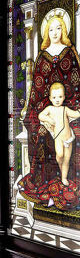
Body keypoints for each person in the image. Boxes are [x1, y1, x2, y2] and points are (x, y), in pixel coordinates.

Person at [20, 13, 80, 209]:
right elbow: (37, 91)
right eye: (51, 29)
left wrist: (68, 109)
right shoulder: (41, 57)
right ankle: (44, 183)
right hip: (44, 108)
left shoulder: (70, 54)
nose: (55, 32)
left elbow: (76, 85)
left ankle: (65, 179)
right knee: (40, 132)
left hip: (67, 107)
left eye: (59, 28)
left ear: (64, 30)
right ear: (47, 32)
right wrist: (44, 116)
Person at [38, 83, 80, 186]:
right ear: (50, 98)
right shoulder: (50, 109)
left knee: (66, 159)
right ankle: (61, 167)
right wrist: (48, 119)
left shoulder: (65, 109)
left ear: (64, 97)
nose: (57, 100)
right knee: (60, 155)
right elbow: (40, 115)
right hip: (58, 138)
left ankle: (64, 178)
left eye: (60, 97)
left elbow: (76, 114)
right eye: (54, 97)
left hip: (69, 138)